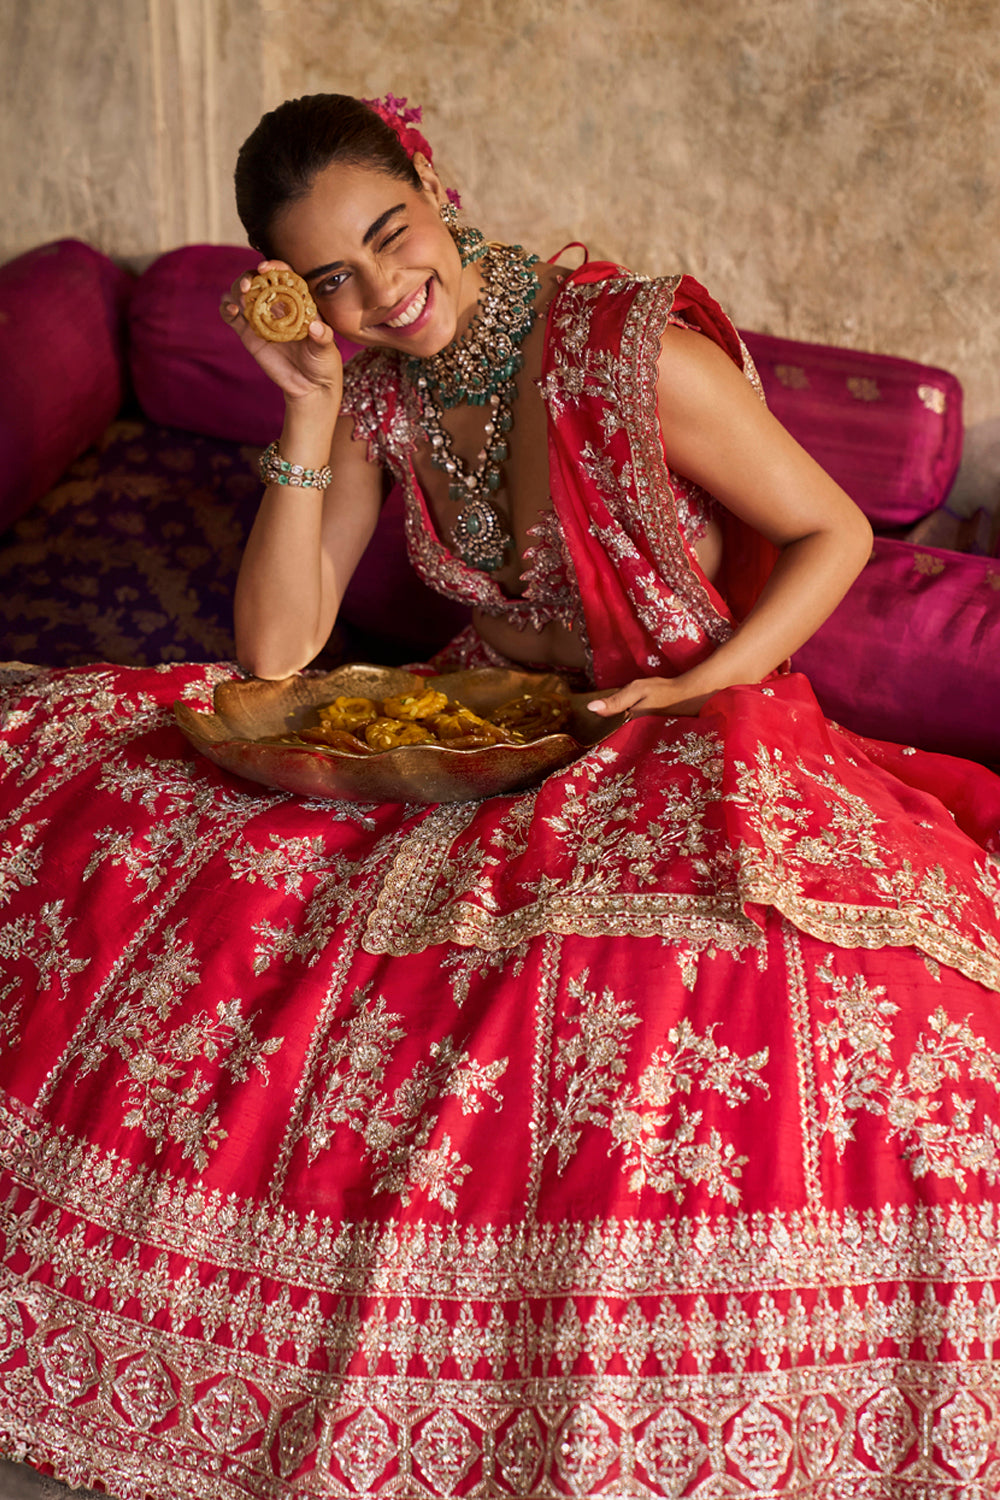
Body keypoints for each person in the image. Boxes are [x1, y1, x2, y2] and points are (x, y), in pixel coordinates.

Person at [0, 92, 999, 1500]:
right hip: (482, 732)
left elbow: (830, 529)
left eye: (389, 234)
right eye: (331, 277)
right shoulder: (382, 389)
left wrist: (695, 687)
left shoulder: (623, 346)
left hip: (687, 724)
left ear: (435, 179)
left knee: (653, 1014)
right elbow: (278, 653)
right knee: (138, 812)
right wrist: (308, 403)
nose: (379, 292)